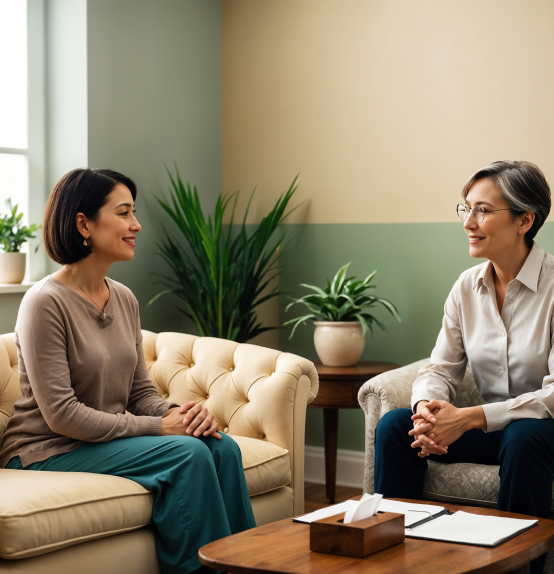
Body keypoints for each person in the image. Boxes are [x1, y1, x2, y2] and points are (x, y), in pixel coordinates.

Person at [0, 168, 256, 574]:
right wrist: (159, 429)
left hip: (97, 441)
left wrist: (180, 414)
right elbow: (61, 415)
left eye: (133, 213)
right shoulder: (43, 303)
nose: (135, 225)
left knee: (222, 447)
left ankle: (249, 567)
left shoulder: (123, 298)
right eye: (123, 213)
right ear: (83, 223)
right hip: (46, 449)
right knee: (186, 454)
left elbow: (140, 394)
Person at [374, 160, 554, 574]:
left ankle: (518, 567)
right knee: (394, 428)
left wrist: (469, 418)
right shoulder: (466, 287)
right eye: (465, 208)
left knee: (524, 437)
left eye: (483, 211)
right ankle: (396, 558)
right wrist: (427, 412)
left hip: (542, 431)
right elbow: (440, 367)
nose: (468, 222)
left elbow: (552, 395)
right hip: (496, 431)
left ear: (525, 220)